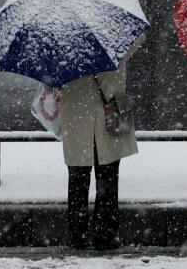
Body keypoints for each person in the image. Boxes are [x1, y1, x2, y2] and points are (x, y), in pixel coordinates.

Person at [59, 35, 144, 250]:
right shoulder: (116, 41)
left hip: (77, 120)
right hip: (110, 114)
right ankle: (105, 234)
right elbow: (140, 37)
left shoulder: (64, 46)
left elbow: (53, 82)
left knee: (78, 180)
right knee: (108, 179)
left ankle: (77, 235)